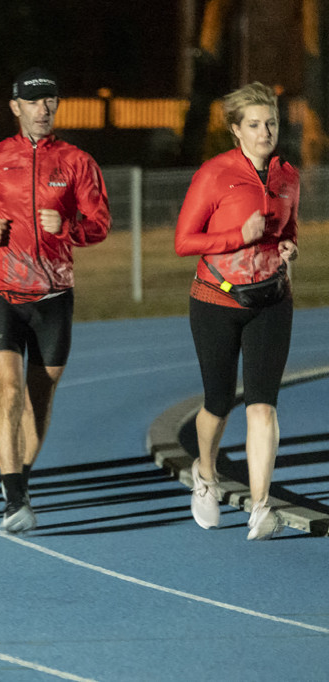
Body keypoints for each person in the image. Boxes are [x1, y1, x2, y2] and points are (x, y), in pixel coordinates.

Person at [0, 67, 110, 534]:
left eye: (50, 101)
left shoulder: (77, 161)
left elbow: (100, 223)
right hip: (2, 289)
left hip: (55, 294)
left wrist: (71, 229)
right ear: (15, 106)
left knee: (40, 397)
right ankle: (14, 497)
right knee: (9, 388)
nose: (43, 109)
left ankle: (17, 480)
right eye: (34, 102)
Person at [174, 82, 298, 541]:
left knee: (263, 406)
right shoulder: (214, 174)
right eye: (254, 125)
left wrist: (289, 246)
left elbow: (291, 227)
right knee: (219, 402)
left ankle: (261, 507)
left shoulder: (288, 175)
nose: (265, 132)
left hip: (272, 300)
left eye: (271, 123)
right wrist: (237, 237)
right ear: (235, 130)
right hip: (216, 301)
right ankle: (205, 472)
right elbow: (184, 241)